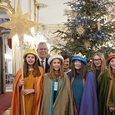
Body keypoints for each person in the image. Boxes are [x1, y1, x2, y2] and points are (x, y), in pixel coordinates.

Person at [10, 48, 45, 115]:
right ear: (25, 59)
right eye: (28, 57)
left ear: (35, 59)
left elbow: (44, 86)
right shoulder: (20, 71)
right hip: (23, 97)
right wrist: (19, 85)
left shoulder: (41, 71)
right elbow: (16, 89)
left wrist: (33, 90)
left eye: (32, 57)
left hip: (35, 98)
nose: (30, 59)